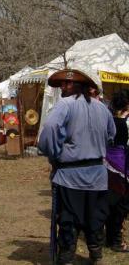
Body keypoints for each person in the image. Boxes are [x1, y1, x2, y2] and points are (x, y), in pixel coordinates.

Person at [38, 69, 116, 265]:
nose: (63, 87)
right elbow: (111, 135)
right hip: (97, 175)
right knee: (95, 219)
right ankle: (95, 255)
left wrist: (53, 151)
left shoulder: (65, 104)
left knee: (69, 220)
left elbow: (50, 128)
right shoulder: (103, 108)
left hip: (70, 176)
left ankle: (68, 259)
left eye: (67, 84)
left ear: (79, 85)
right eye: (62, 84)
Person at [105, 91, 129, 252]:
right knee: (121, 204)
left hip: (107, 163)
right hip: (120, 164)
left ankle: (111, 238)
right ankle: (115, 240)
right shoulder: (124, 123)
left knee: (112, 202)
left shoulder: (108, 120)